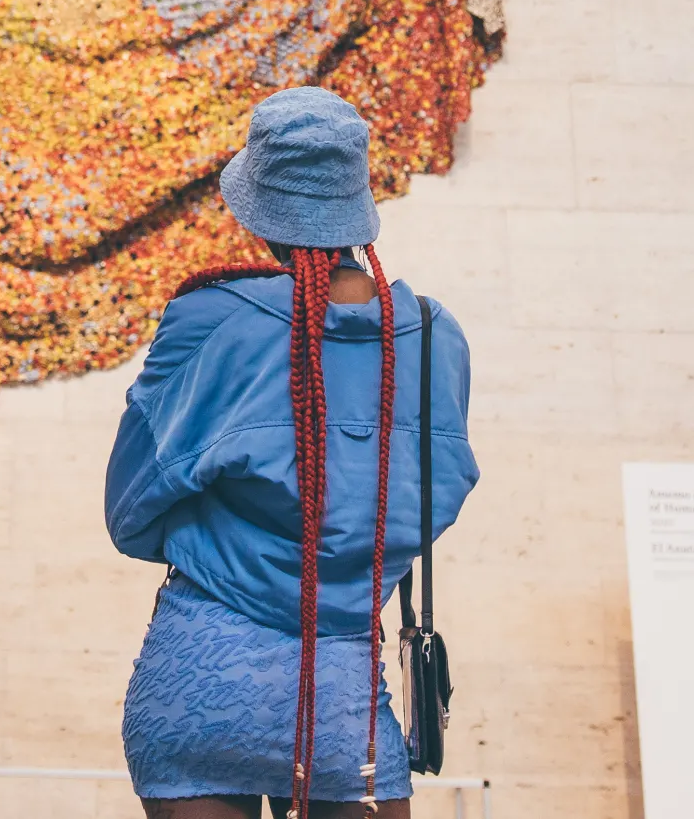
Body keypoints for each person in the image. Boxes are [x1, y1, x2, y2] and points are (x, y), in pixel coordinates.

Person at [106, 87, 479, 819]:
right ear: (355, 203)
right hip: (342, 688)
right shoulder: (435, 337)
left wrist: (226, 542)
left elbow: (129, 513)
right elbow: (422, 506)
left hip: (200, 676)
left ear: (257, 208)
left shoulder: (210, 316)